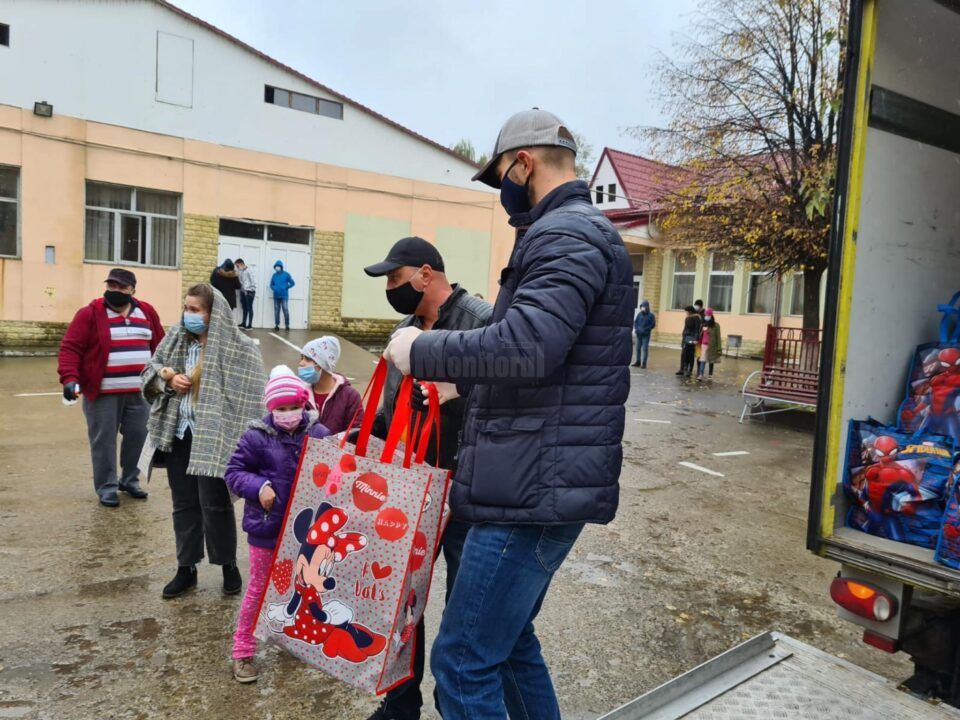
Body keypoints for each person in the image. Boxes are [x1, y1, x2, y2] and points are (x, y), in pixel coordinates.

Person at [383, 109, 633, 719]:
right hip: (536, 481)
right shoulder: (568, 231)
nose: (503, 194)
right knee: (511, 643)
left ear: (524, 162)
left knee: (463, 662)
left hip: (533, 487)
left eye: (500, 178)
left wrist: (423, 351)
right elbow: (537, 350)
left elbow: (527, 345)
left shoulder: (565, 233)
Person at [362, 236, 492, 720]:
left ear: (424, 274)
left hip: (466, 491)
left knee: (463, 612)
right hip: (411, 489)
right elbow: (388, 409)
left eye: (395, 279)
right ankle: (401, 701)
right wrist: (361, 435)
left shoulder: (482, 320)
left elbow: (514, 397)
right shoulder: (405, 329)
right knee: (400, 600)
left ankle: (454, 701)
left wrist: (455, 391)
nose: (391, 289)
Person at [141, 284, 266, 599]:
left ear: (215, 313)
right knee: (183, 504)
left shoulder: (239, 347)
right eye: (186, 308)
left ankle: (227, 565)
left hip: (215, 438)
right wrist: (168, 381)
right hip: (179, 435)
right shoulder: (176, 339)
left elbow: (252, 398)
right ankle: (186, 568)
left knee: (216, 504)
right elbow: (149, 372)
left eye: (195, 310)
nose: (188, 315)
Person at [224, 365, 331, 683]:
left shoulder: (317, 432)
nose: (288, 414)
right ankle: (243, 651)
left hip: (304, 529)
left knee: (302, 586)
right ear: (271, 408)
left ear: (303, 403)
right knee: (258, 588)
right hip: (266, 529)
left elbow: (336, 466)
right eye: (281, 409)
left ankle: (295, 639)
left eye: (294, 407)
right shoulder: (255, 436)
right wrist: (258, 487)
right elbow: (234, 472)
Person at [58, 268, 165, 507]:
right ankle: (107, 486)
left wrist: (165, 378)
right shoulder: (90, 314)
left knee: (138, 437)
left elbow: (160, 348)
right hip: (103, 394)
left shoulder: (146, 312)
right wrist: (69, 378)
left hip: (140, 394)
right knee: (103, 441)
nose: (115, 291)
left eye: (122, 287)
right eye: (112, 286)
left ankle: (129, 480)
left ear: (132, 290)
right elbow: (70, 348)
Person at [296, 336, 363, 435]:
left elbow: (354, 433)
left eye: (307, 359)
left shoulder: (350, 396)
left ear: (323, 363)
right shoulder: (299, 393)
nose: (301, 363)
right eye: (302, 358)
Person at [269, 260, 295, 331]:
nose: (277, 268)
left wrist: (286, 287)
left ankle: (287, 325)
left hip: (284, 296)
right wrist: (274, 288)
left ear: (281, 267)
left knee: (285, 310)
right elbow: (271, 285)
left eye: (278, 266)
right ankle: (277, 325)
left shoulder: (286, 274)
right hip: (276, 296)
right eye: (276, 266)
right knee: (276, 310)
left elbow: (293, 283)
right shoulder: (274, 275)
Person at [697, 308, 722, 380]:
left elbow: (718, 336)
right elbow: (700, 335)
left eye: (708, 315)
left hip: (712, 345)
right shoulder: (703, 324)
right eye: (705, 315)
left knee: (711, 360)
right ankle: (700, 375)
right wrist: (702, 330)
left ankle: (710, 375)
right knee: (703, 360)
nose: (706, 317)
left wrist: (719, 348)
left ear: (711, 316)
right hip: (704, 345)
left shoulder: (716, 325)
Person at [678, 305, 702, 378]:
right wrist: (683, 334)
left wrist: (696, 339)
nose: (686, 313)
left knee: (690, 354)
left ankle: (689, 370)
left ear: (690, 311)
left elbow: (697, 329)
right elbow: (685, 328)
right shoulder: (687, 318)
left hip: (692, 338)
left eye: (686, 311)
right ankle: (683, 369)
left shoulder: (696, 317)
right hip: (686, 337)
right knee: (684, 353)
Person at [633, 300, 656, 368]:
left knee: (645, 349)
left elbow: (653, 324)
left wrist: (646, 329)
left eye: (644, 307)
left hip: (646, 335)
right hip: (639, 334)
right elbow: (635, 322)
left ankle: (644, 363)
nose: (642, 308)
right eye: (642, 307)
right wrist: (636, 328)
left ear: (647, 307)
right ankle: (638, 362)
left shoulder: (651, 315)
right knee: (637, 348)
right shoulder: (639, 314)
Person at [236, 258, 257, 329]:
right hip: (243, 292)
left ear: (241, 264)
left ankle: (250, 325)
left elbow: (253, 282)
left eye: (237, 266)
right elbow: (241, 281)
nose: (237, 267)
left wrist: (249, 290)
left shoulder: (249, 270)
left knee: (250, 308)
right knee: (244, 308)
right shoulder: (241, 271)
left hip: (249, 292)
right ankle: (244, 323)